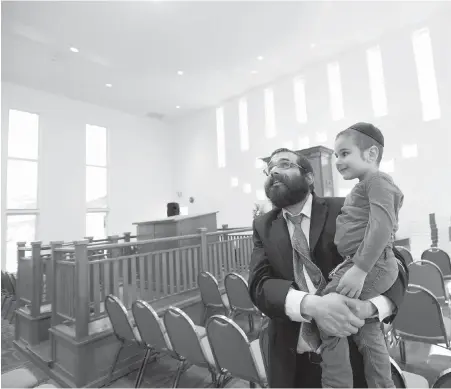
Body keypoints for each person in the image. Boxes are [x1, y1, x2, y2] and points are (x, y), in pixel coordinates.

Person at [248, 146, 408, 388]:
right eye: (269, 169)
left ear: (309, 177)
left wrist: (370, 308)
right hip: (293, 357)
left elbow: (394, 261)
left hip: (354, 346)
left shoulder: (346, 207)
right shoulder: (263, 225)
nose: (274, 172)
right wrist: (313, 305)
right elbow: (259, 284)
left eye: (284, 164)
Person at [318, 122, 404, 388]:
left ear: (371, 154)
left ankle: (337, 383)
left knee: (326, 311)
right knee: (368, 332)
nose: (337, 161)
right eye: (336, 155)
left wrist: (360, 268)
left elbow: (382, 226)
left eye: (344, 153)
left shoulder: (377, 181)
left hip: (371, 264)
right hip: (363, 263)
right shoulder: (365, 185)